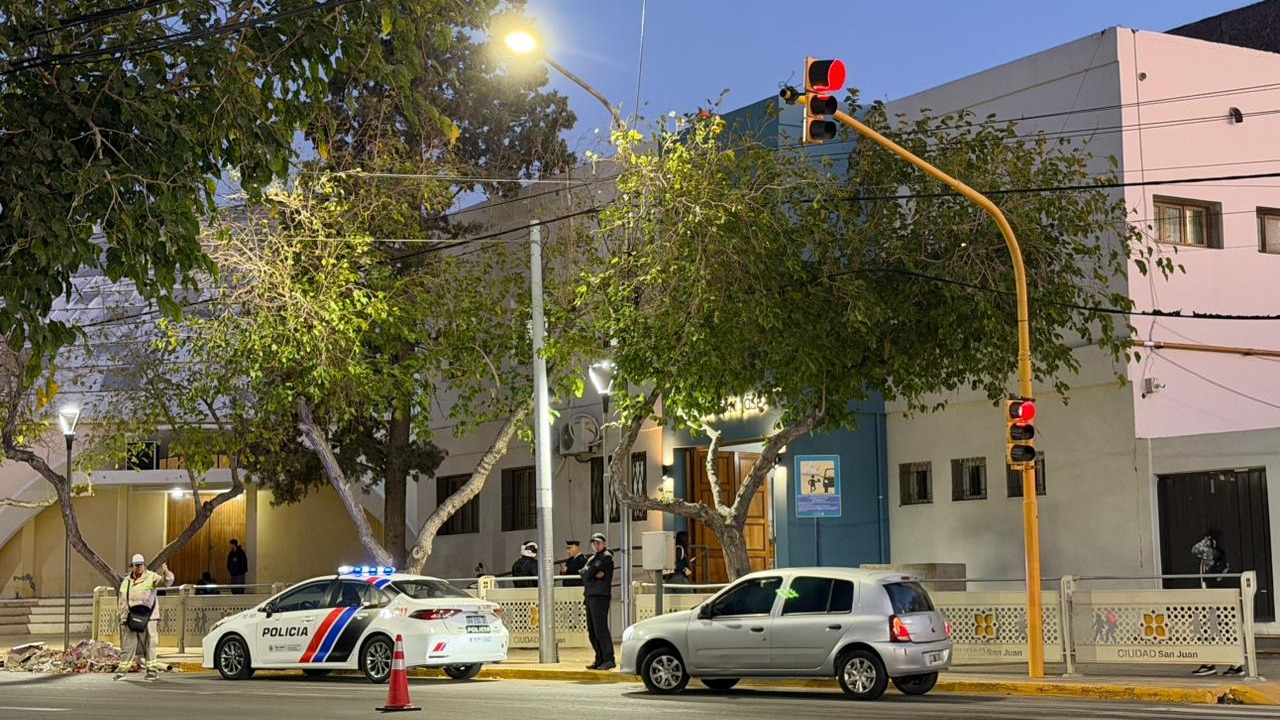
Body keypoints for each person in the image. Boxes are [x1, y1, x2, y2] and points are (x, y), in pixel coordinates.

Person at [1190, 530, 1243, 677]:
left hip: (1216, 599)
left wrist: (1208, 543)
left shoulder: (1214, 555)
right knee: (1212, 629)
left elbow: (1195, 550)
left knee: (1218, 628)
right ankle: (1221, 663)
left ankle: (1226, 663)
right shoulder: (1215, 557)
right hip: (1212, 598)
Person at [114, 554, 174, 681]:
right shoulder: (127, 581)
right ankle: (122, 671)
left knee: (150, 644)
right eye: (136, 565)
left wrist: (166, 572)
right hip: (131, 617)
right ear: (133, 566)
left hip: (148, 618)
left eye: (141, 564)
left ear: (144, 565)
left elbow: (167, 582)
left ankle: (152, 672)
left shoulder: (151, 577)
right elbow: (122, 601)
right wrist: (123, 618)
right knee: (128, 646)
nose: (139, 567)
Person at [581, 532, 615, 670]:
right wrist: (592, 573)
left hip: (600, 596)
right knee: (592, 630)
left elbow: (590, 572)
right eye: (594, 543)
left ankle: (608, 659)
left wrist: (590, 572)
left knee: (601, 629)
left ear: (604, 543)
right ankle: (599, 658)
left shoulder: (607, 557)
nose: (596, 545)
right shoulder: (592, 558)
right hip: (590, 595)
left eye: (598, 543)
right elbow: (584, 574)